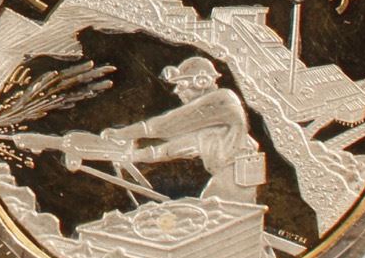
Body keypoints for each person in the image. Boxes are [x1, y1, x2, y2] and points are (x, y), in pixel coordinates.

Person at [95, 57, 267, 203]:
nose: (177, 91)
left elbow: (168, 124)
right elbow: (176, 148)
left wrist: (122, 133)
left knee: (209, 216)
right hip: (233, 176)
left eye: (182, 84)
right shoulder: (211, 124)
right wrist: (134, 156)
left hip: (233, 178)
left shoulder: (222, 100)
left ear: (201, 82)